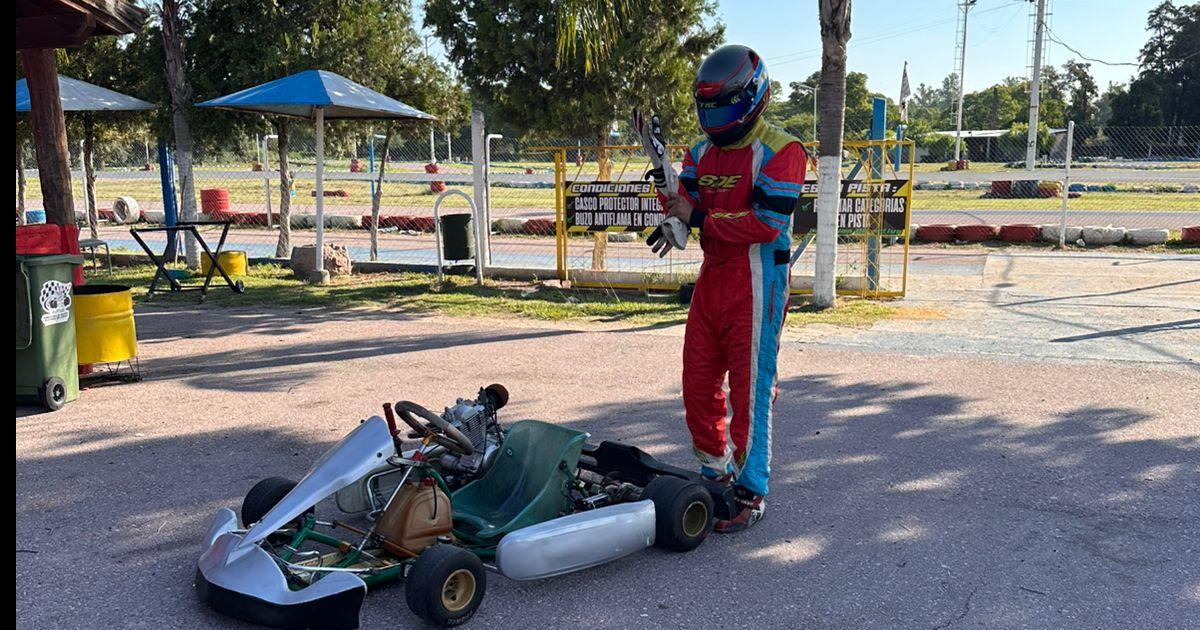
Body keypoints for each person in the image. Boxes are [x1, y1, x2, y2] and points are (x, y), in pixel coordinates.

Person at [655, 44, 808, 533]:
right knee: (697, 382)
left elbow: (765, 223)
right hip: (713, 276)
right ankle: (714, 470)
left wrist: (697, 216)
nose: (717, 117)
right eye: (709, 107)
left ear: (752, 95)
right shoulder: (700, 152)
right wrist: (665, 185)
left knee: (751, 389)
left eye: (726, 105)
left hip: (759, 279)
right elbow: (687, 201)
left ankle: (752, 488)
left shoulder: (784, 151)